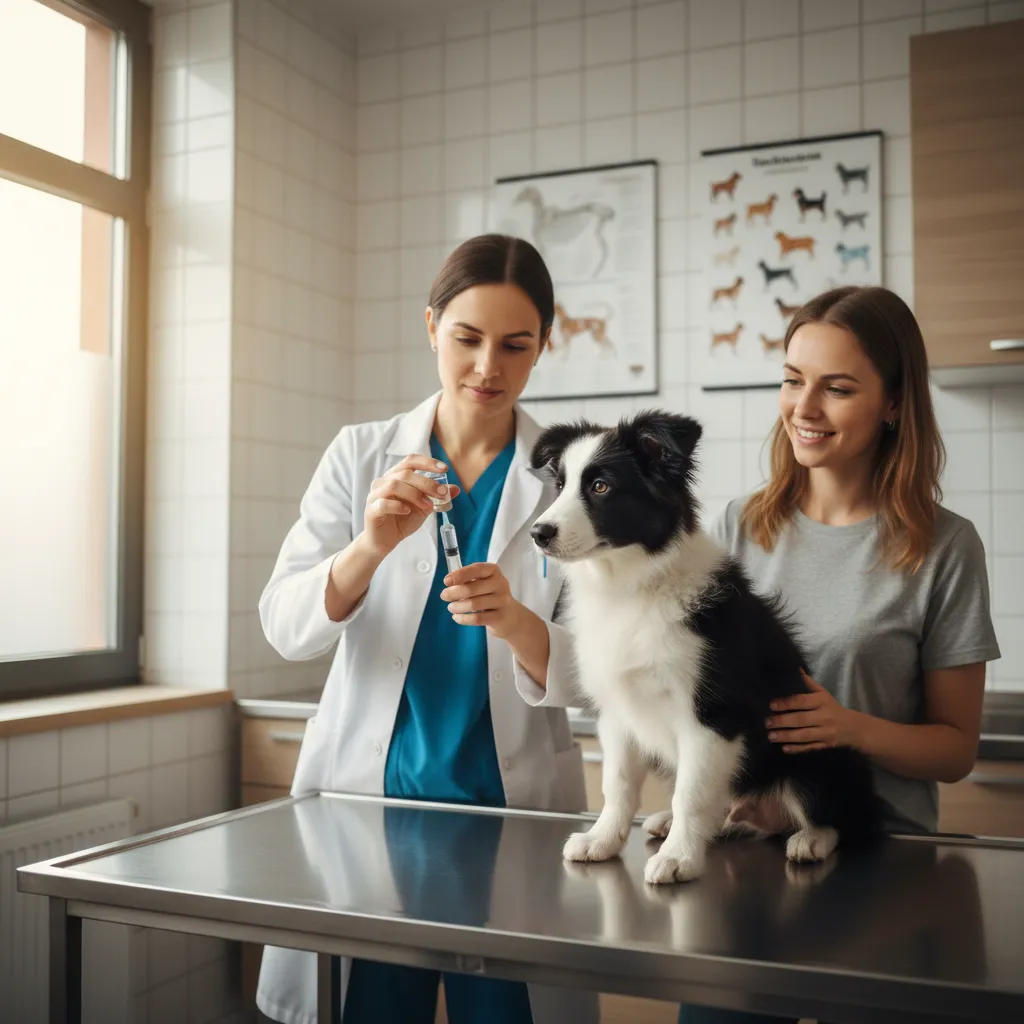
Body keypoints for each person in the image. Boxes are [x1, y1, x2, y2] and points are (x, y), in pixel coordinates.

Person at [255, 234, 597, 1024]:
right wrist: (370, 545)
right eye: (467, 339)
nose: (488, 367)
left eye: (516, 345)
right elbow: (285, 625)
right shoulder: (360, 456)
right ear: (431, 328)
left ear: (545, 344)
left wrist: (517, 623)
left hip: (510, 828)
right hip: (373, 822)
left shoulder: (575, 476)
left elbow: (604, 675)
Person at [678, 285, 1001, 1024]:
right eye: (793, 380)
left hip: (884, 872)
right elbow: (706, 700)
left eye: (838, 388)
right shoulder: (738, 526)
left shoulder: (944, 547)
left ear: (893, 404)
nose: (804, 407)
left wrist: (847, 727)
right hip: (750, 871)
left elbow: (955, 750)